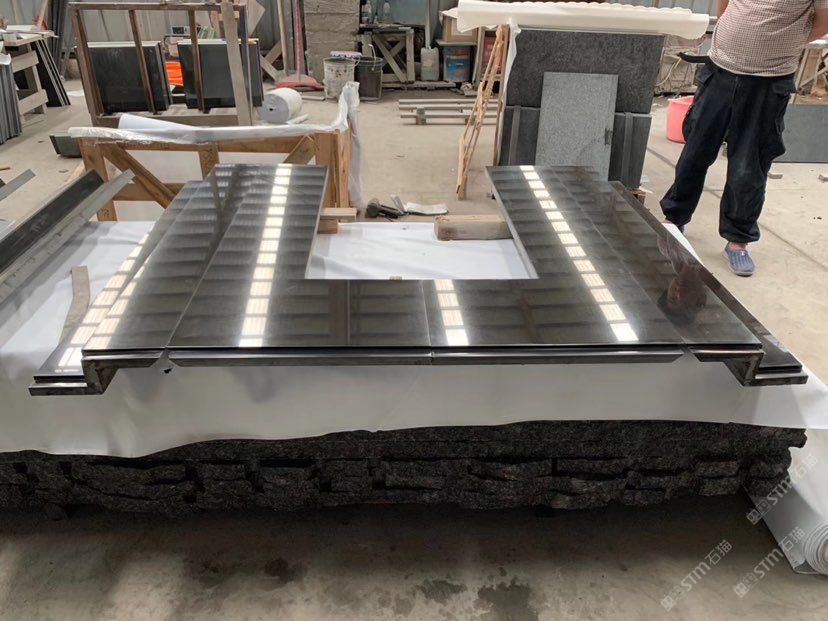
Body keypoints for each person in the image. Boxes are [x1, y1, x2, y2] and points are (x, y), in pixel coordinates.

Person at [660, 0, 828, 276]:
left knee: (748, 167)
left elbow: (824, 20)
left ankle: (737, 240)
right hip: (720, 71)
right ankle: (674, 218)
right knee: (695, 153)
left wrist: (783, 41)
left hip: (768, 81)